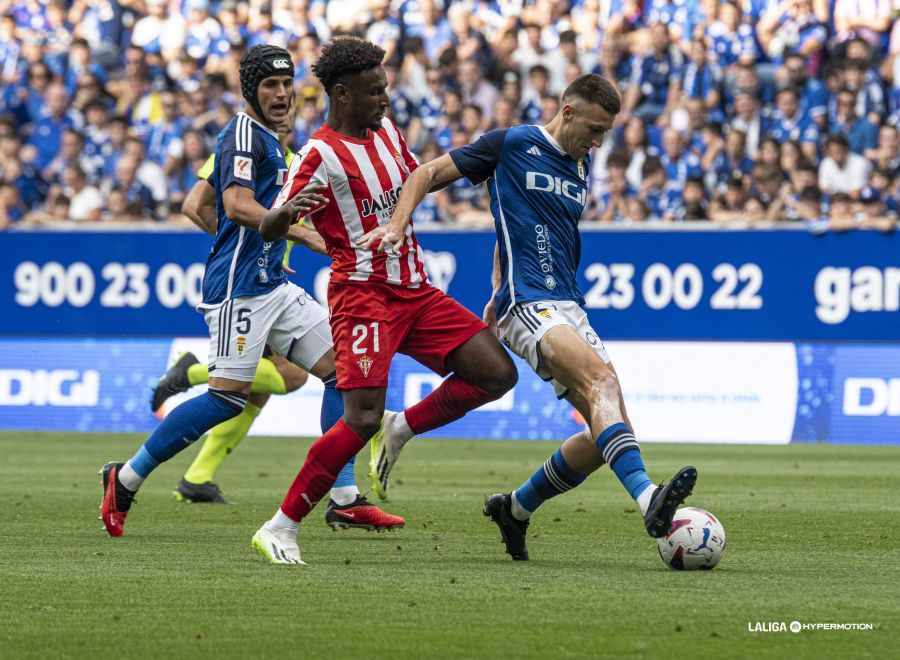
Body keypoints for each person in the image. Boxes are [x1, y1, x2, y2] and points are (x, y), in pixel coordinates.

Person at [365, 74, 697, 561]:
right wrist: (396, 224)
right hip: (530, 305)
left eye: (607, 130)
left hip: (568, 304)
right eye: (595, 127)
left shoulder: (580, 164)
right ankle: (650, 500)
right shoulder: (513, 142)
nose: (600, 140)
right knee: (600, 381)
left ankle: (515, 509)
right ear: (567, 112)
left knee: (603, 430)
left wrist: (495, 286)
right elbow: (425, 174)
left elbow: (517, 225)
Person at [99, 44, 404, 537]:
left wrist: (308, 235)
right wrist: (271, 235)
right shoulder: (242, 133)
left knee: (342, 373)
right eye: (270, 86)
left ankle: (344, 497)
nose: (282, 94)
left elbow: (261, 216)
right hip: (239, 289)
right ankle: (126, 477)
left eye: (286, 85)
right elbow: (236, 205)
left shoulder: (275, 143)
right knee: (227, 399)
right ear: (251, 91)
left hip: (273, 284)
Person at [253, 36, 518, 565]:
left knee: (496, 373)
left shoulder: (389, 133)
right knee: (361, 417)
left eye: (387, 89)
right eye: (375, 92)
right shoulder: (318, 154)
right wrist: (287, 215)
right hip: (363, 297)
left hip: (416, 290)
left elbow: (415, 180)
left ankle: (405, 426)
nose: (385, 100)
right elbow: (268, 226)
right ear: (342, 93)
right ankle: (281, 526)